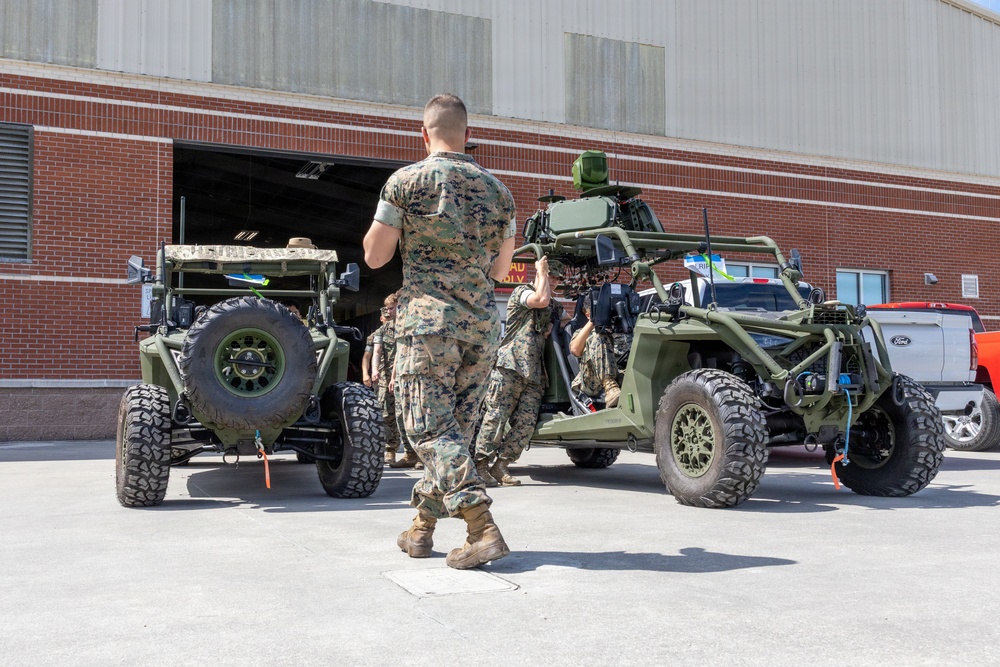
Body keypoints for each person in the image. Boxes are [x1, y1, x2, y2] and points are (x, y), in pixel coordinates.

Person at [363, 93, 516, 570]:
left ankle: (481, 528)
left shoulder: (405, 183)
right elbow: (502, 271)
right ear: (468, 136)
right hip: (482, 328)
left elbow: (375, 256)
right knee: (452, 434)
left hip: (428, 326)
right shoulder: (499, 192)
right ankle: (421, 530)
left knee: (428, 430)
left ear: (423, 133)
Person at [473, 256, 563, 487]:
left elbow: (563, 318)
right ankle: (480, 465)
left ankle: (501, 465)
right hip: (510, 366)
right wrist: (541, 271)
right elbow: (540, 299)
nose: (554, 282)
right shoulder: (521, 292)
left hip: (534, 373)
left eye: (556, 279)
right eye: (551, 277)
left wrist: (554, 324)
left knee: (525, 424)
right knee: (496, 418)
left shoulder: (553, 305)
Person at [371, 293, 421, 469]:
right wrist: (374, 370)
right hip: (395, 378)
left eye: (392, 308)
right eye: (388, 308)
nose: (389, 311)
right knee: (396, 417)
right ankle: (408, 453)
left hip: (412, 376)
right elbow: (375, 352)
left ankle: (420, 455)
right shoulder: (384, 330)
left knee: (414, 417)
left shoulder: (412, 326)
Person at [569, 296, 621, 408]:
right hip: (592, 381)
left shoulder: (621, 330)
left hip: (619, 374)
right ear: (587, 315)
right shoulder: (583, 332)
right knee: (599, 336)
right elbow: (575, 350)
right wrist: (594, 321)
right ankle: (610, 386)